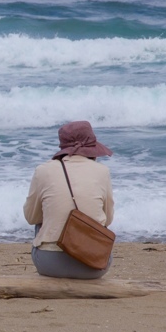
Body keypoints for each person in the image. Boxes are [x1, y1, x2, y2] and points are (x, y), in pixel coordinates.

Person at [23, 120, 115, 279]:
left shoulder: (43, 170)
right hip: (94, 265)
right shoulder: (102, 171)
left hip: (50, 265)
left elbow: (31, 218)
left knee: (43, 221)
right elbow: (108, 219)